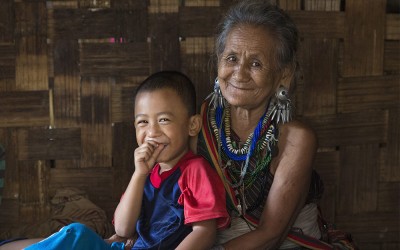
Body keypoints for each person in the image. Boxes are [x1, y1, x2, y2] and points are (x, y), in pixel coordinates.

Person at [1, 71, 229, 250]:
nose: (152, 132)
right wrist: (139, 174)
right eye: (143, 122)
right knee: (75, 234)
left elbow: (204, 232)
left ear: (192, 125)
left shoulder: (194, 170)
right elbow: (122, 227)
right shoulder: (147, 173)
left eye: (163, 119)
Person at [195, 0, 335, 249]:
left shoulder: (295, 139)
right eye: (231, 58)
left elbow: (271, 236)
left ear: (284, 74)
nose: (239, 73)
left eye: (256, 63)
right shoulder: (198, 126)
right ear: (218, 62)